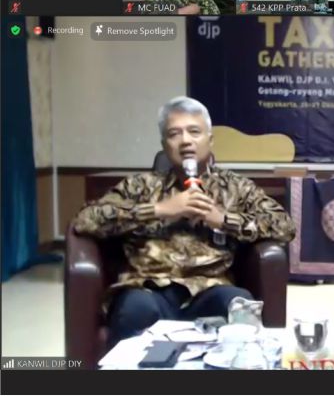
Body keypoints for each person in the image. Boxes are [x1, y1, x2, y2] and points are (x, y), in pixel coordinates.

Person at [73, 96, 295, 347]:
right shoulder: (140, 186)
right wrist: (159, 209)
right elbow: (85, 220)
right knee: (133, 310)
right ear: (164, 145)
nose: (186, 141)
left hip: (211, 288)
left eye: (194, 132)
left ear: (210, 140)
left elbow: (284, 226)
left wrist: (222, 219)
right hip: (148, 289)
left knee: (238, 307)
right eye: (174, 134)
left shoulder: (235, 187)